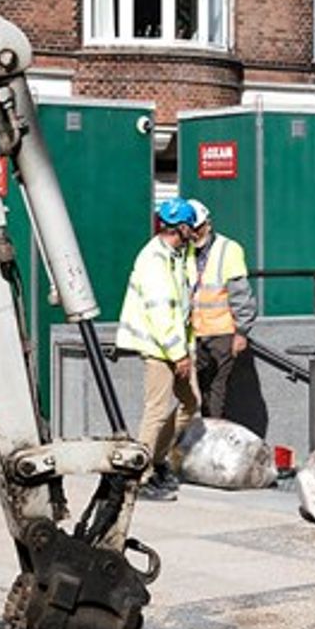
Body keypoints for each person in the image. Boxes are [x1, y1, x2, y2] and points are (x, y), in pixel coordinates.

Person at [114, 197, 199, 501]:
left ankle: (158, 460)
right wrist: (178, 353)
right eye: (193, 226)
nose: (197, 231)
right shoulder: (154, 259)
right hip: (159, 347)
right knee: (156, 411)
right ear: (181, 227)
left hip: (175, 346)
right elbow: (161, 310)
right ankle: (140, 477)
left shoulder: (175, 254)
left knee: (190, 402)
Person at [184, 200, 258, 421]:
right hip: (192, 333)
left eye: (197, 228)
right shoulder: (185, 250)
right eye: (190, 229)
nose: (194, 233)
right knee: (195, 390)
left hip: (221, 332)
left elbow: (240, 294)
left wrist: (241, 332)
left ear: (208, 224)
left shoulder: (228, 249)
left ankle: (212, 432)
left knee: (216, 388)